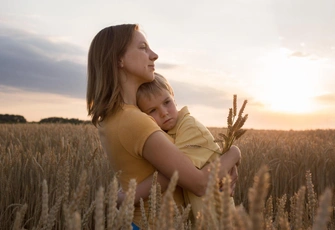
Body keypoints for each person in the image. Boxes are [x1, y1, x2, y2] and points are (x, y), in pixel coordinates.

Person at [86, 24, 241, 229]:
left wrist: (127, 197)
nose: (154, 55)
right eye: (143, 48)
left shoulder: (114, 117)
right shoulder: (134, 121)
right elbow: (200, 183)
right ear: (118, 59)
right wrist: (234, 154)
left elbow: (165, 174)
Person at [124, 72, 237, 221]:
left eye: (166, 102)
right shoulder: (165, 134)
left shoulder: (189, 128)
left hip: (217, 217)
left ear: (174, 98)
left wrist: (125, 197)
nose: (164, 113)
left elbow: (172, 174)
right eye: (152, 110)